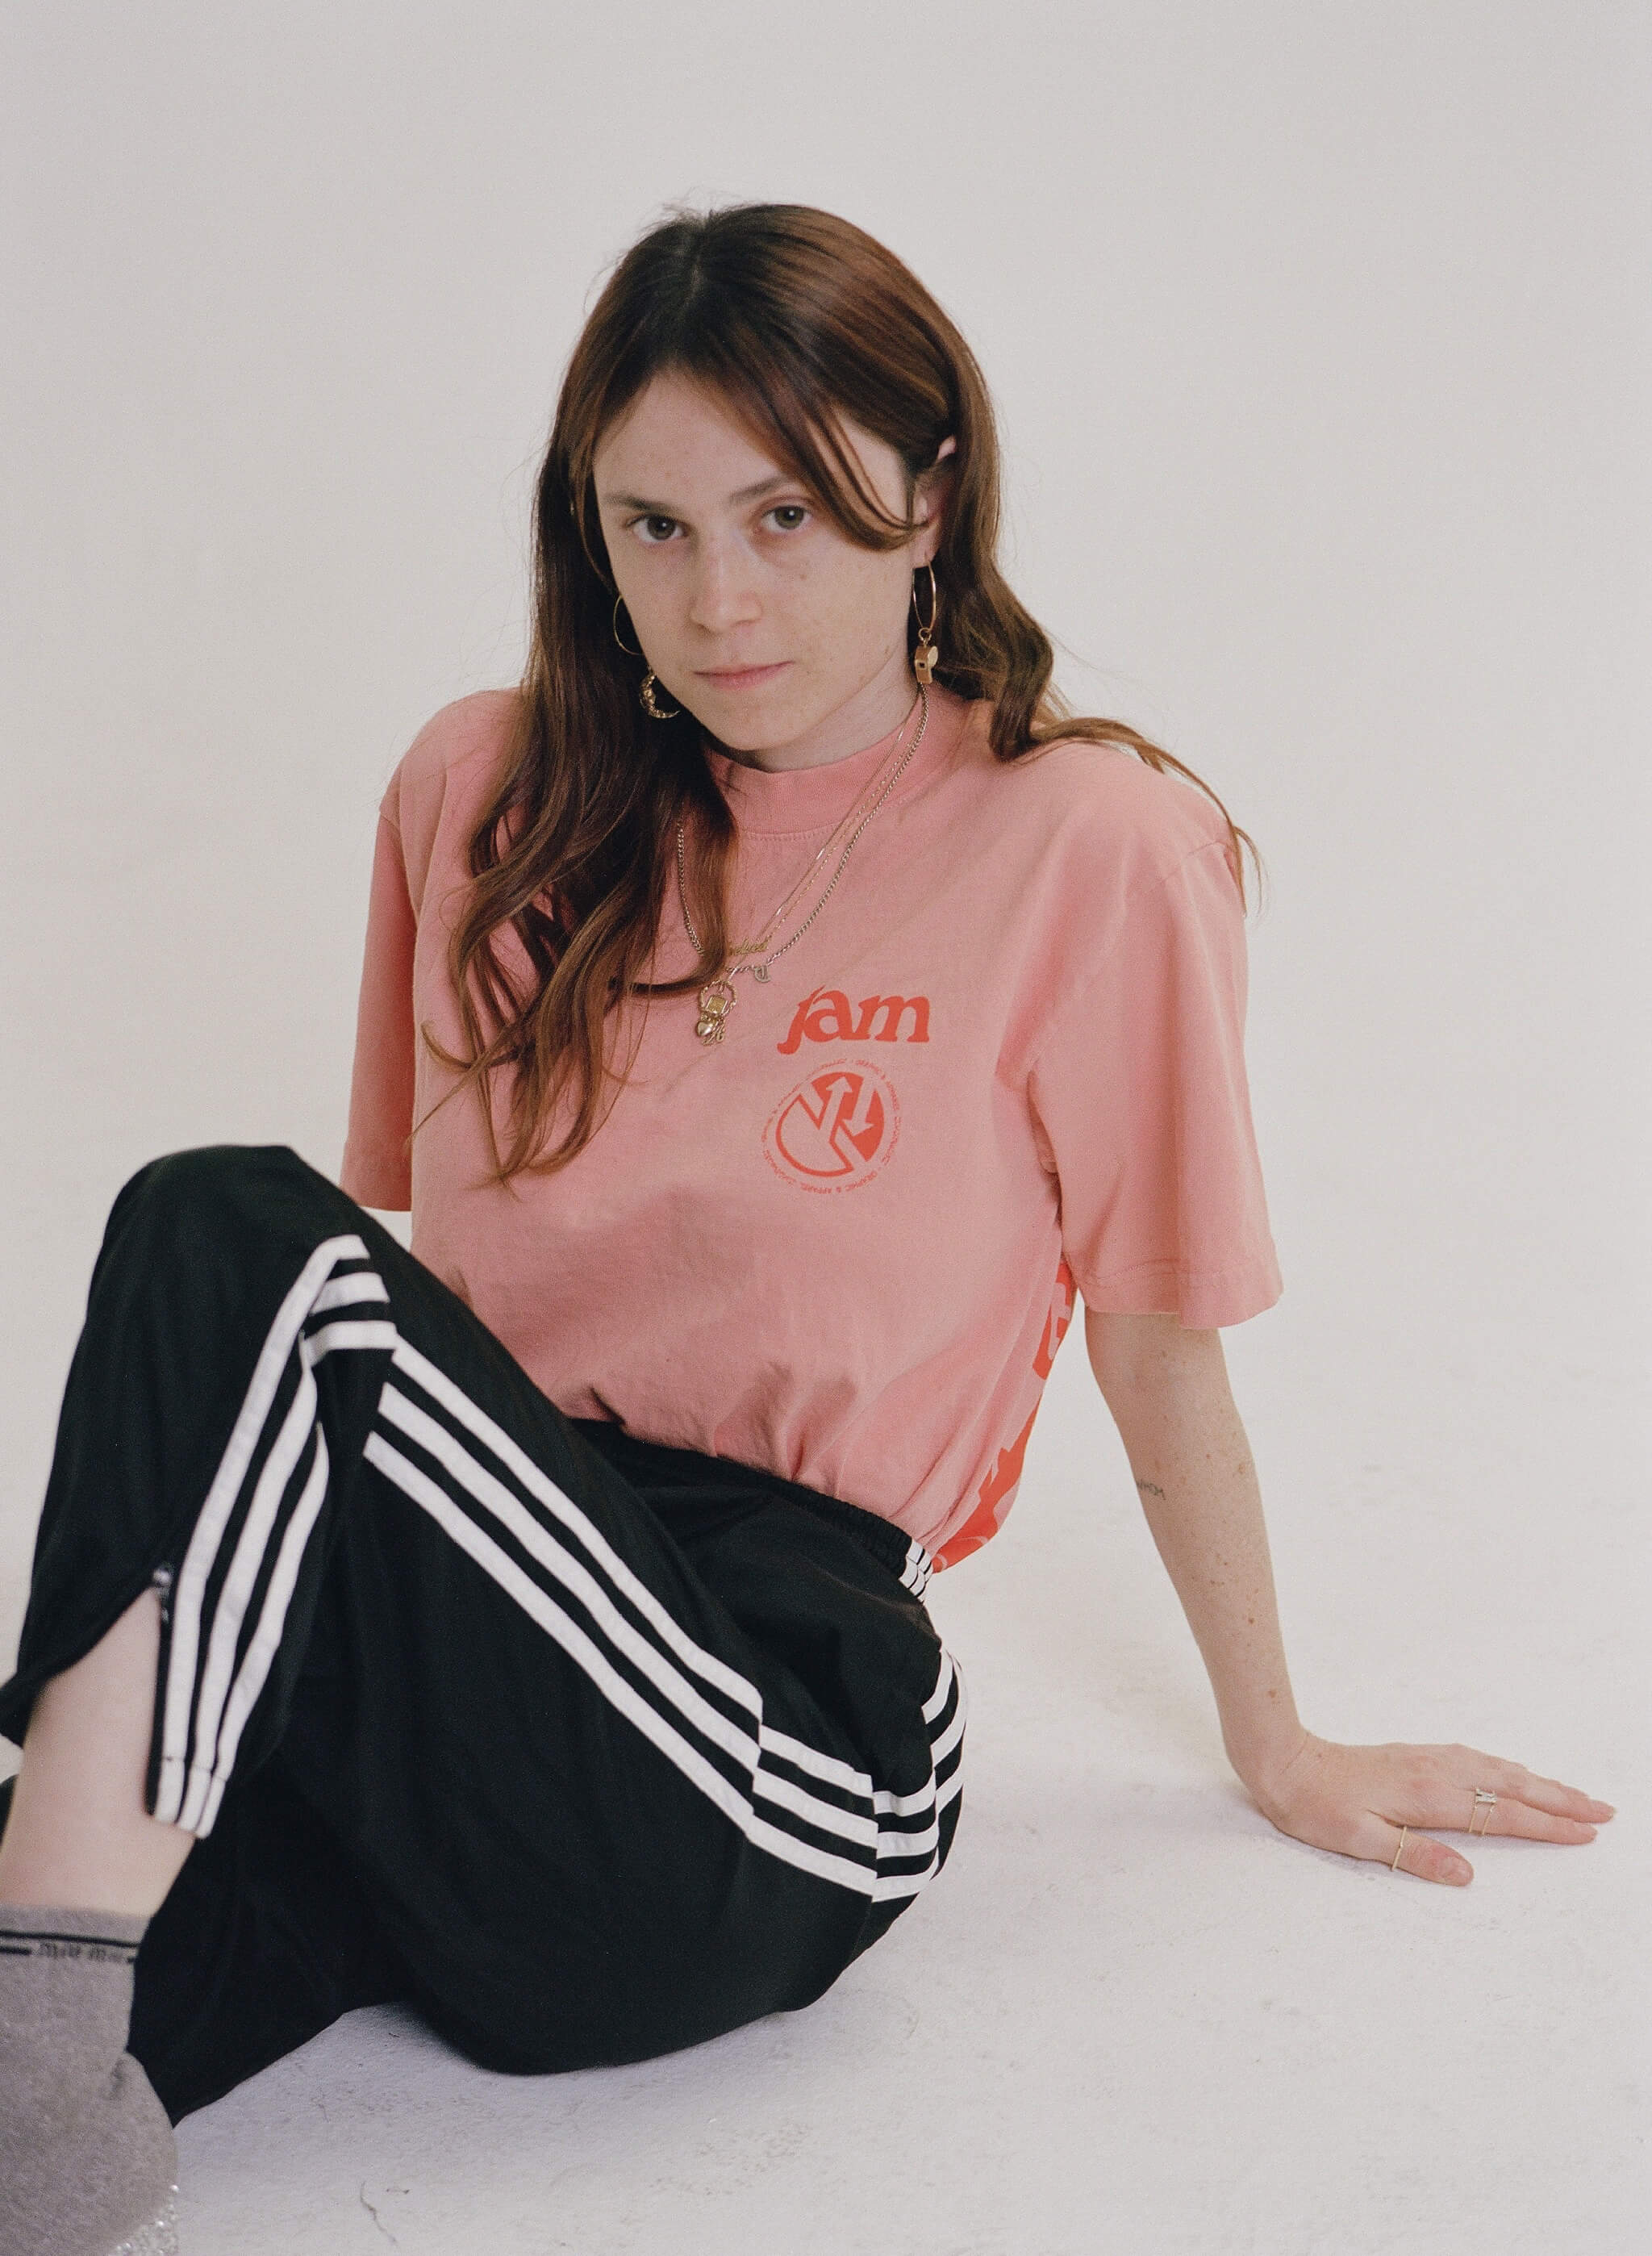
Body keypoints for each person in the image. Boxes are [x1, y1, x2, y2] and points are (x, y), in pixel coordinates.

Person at [0, 203, 1612, 2256]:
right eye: (652, 527)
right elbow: (348, 1395)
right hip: (459, 1671)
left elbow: (1154, 1345)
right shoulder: (481, 792)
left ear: (925, 499)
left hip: (762, 1734)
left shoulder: (1091, 847)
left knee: (225, 1228)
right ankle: (49, 2068)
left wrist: (1276, 1745)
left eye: (786, 516)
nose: (718, 599)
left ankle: (47, 2030)